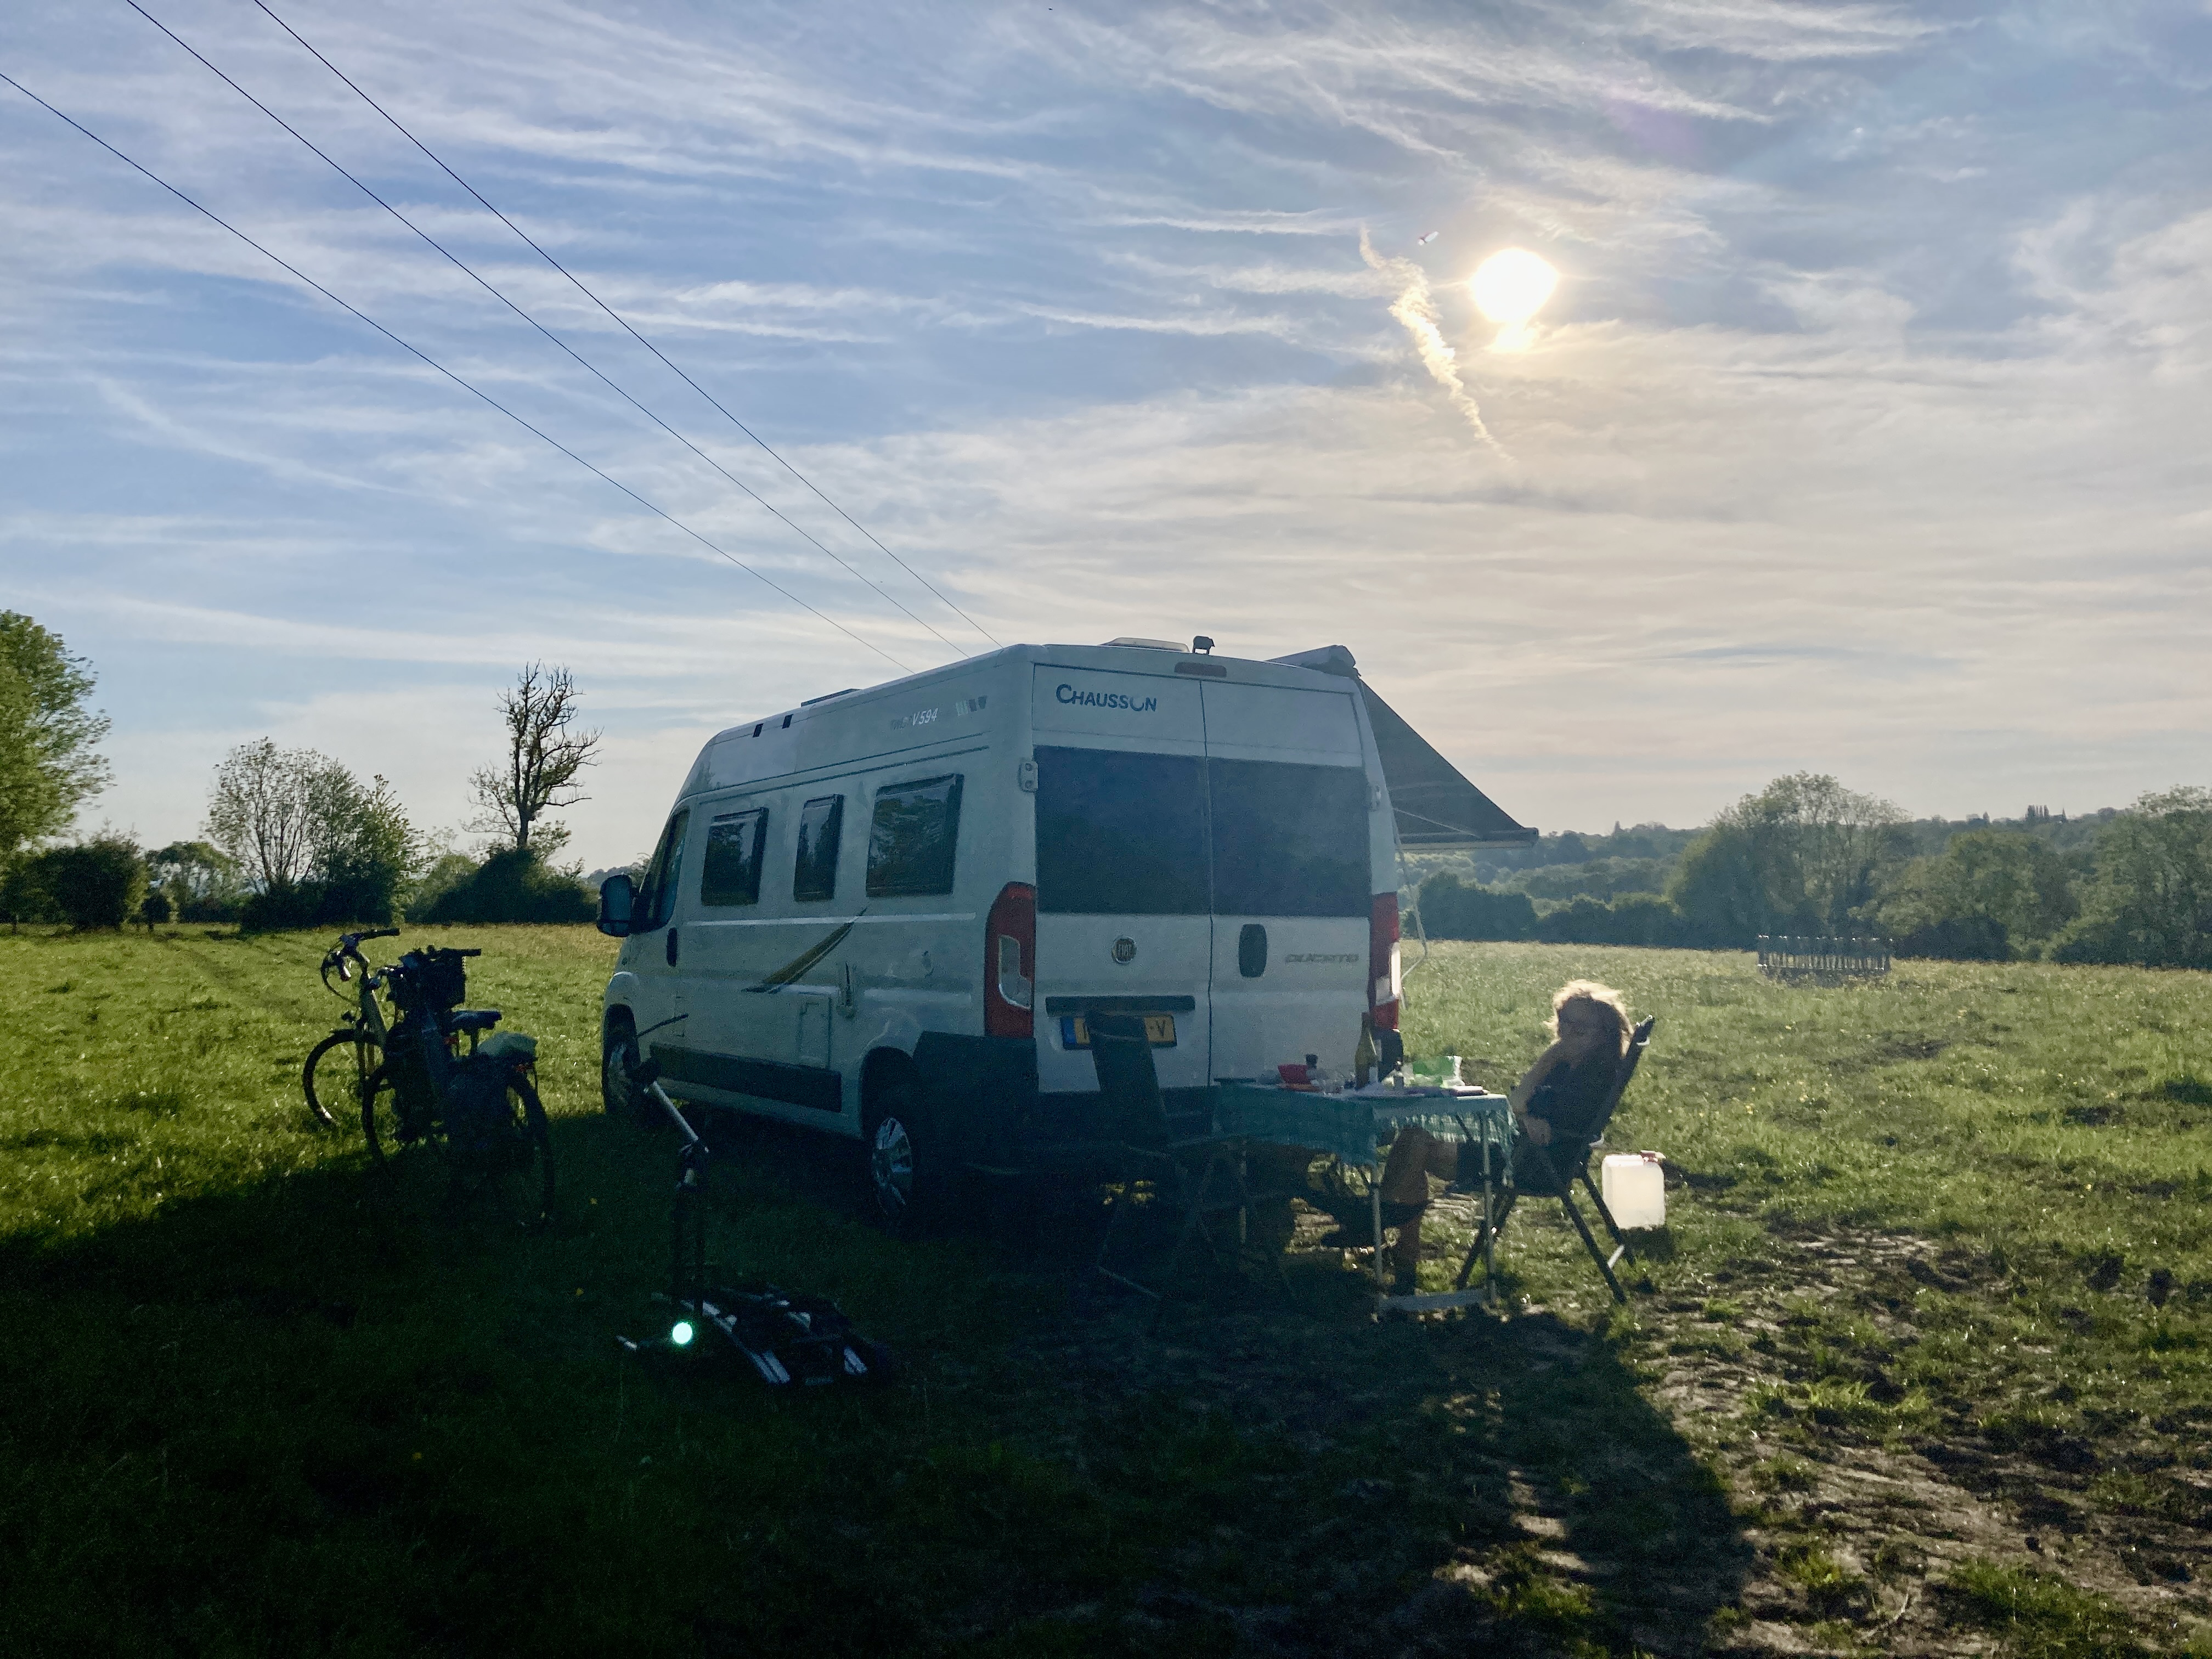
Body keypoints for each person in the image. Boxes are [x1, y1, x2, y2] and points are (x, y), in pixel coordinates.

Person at [1376, 979, 1634, 1291]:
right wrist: (1524, 1117)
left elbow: (1527, 1110)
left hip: (1529, 1162)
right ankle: (1397, 1243)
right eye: (1565, 1021)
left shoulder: (1592, 1076)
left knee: (1416, 1140)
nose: (1568, 1032)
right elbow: (1520, 1110)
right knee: (1416, 1137)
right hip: (1517, 1148)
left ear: (1602, 1034)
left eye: (1581, 1028)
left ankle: (1380, 1223)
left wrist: (1548, 1061)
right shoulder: (1572, 1065)